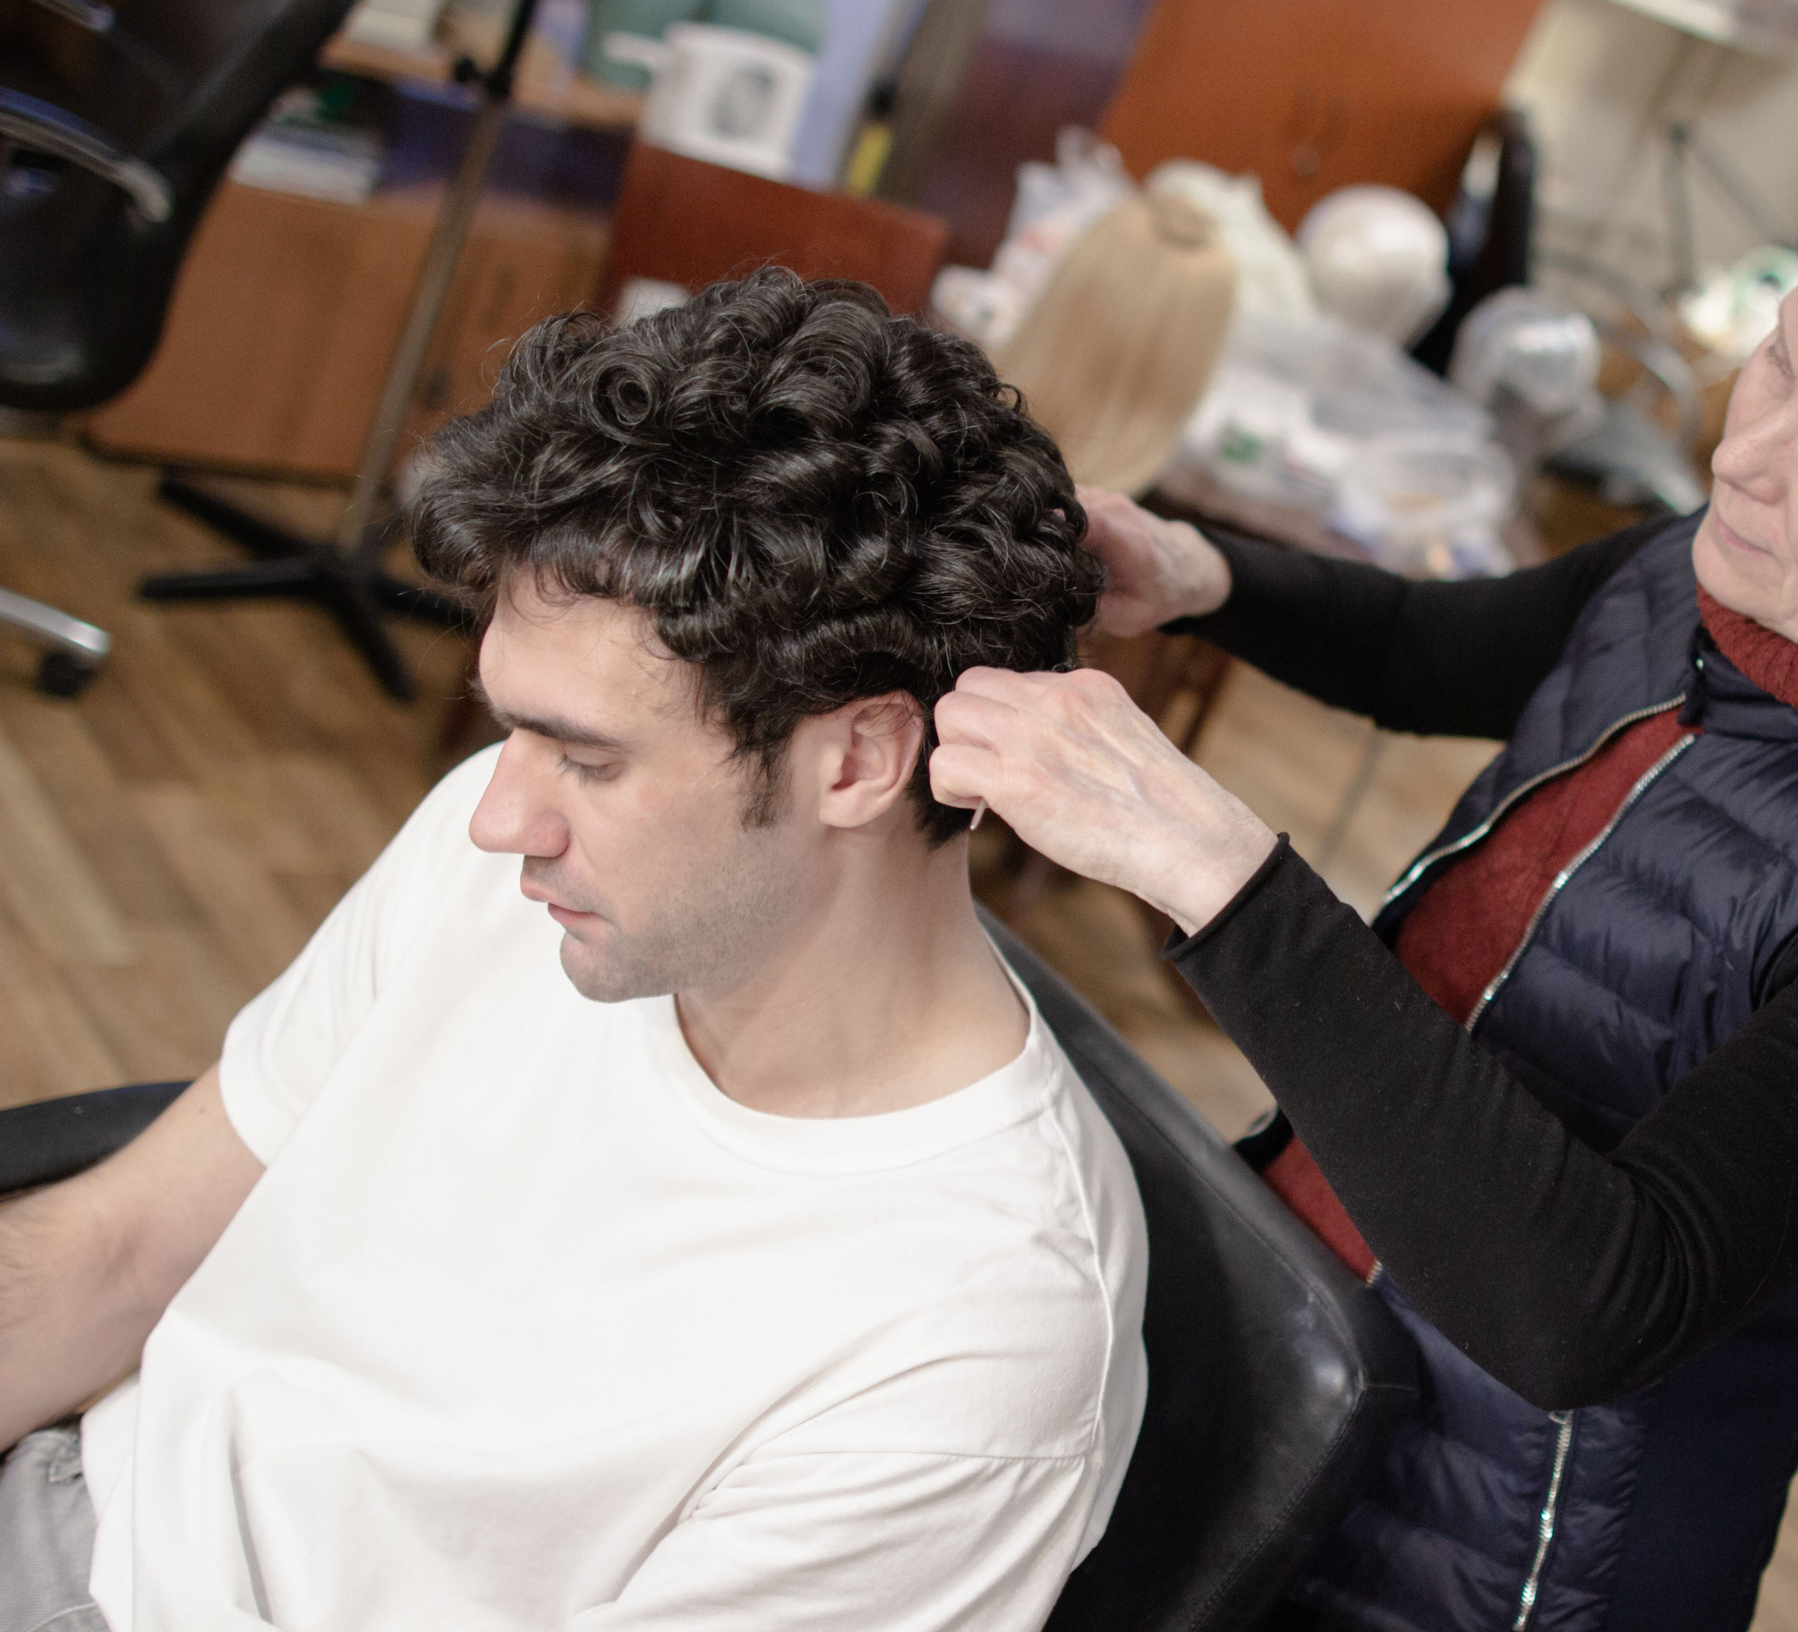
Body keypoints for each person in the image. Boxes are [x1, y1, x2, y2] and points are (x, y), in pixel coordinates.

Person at [928, 140, 1798, 1631]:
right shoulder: (1713, 569)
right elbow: (1438, 647)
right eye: (1779, 366)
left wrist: (1210, 867)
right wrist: (1200, 576)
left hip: (1508, 1546)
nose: (1741, 459)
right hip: (1311, 1324)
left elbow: (1589, 1303)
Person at [0, 271, 1145, 1632]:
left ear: (858, 758)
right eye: (513, 729)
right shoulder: (526, 866)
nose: (495, 815)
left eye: (587, 758)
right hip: (67, 1493)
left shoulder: (975, 1332)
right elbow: (123, 1248)